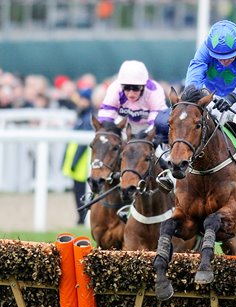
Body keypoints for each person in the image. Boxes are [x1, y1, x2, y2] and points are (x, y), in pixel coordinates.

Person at [183, 20, 236, 196]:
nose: (224, 61)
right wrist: (191, 94)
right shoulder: (206, 47)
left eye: (229, 56)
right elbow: (195, 72)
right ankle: (178, 168)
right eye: (220, 57)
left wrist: (233, 97)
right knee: (196, 125)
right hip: (216, 98)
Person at [97, 60, 168, 135]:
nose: (131, 94)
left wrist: (145, 134)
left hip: (149, 125)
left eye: (136, 88)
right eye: (126, 87)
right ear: (121, 85)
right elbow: (106, 113)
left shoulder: (154, 90)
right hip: (125, 125)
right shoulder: (115, 88)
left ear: (144, 86)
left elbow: (156, 120)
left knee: (162, 127)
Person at [61, 88, 93, 225]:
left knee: (81, 193)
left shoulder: (87, 118)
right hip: (77, 164)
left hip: (82, 165)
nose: (79, 102)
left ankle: (82, 218)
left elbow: (82, 145)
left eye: (82, 99)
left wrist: (74, 162)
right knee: (78, 192)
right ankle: (81, 218)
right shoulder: (82, 117)